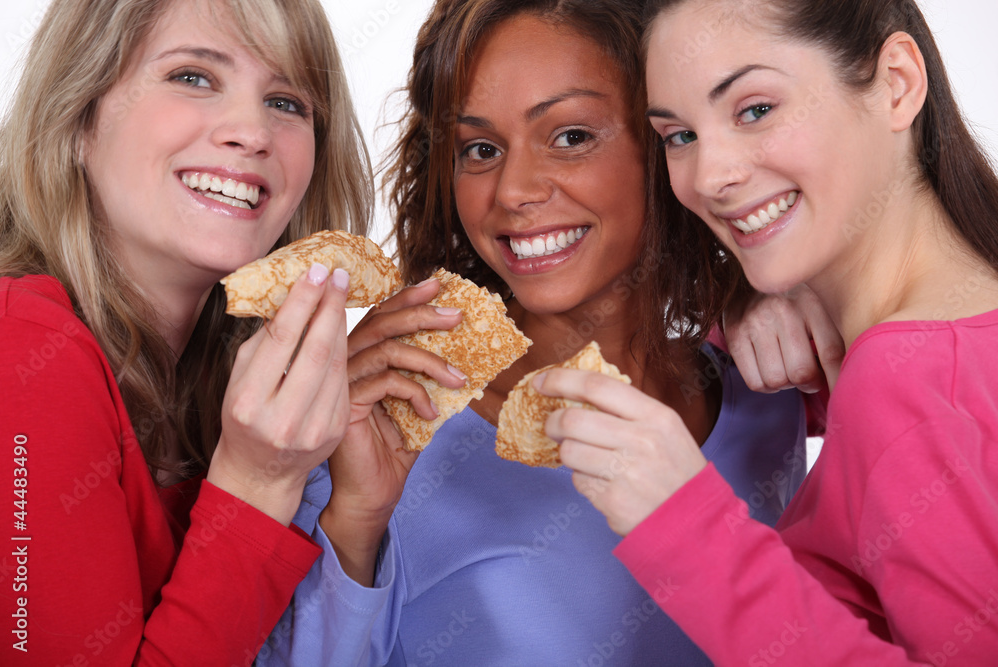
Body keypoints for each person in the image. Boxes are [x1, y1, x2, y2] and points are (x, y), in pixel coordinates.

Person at [257, 0, 824, 664]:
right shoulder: (382, 429)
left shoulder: (767, 395)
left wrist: (773, 285)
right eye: (481, 149)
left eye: (572, 135)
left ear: (669, 140)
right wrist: (355, 521)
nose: (514, 189)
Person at [534, 0, 998, 664]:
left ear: (896, 82)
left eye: (755, 110)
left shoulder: (903, 379)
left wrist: (688, 525)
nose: (711, 176)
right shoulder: (923, 340)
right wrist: (753, 301)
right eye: (678, 136)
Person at [0, 0, 372, 663]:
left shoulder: (234, 389)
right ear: (79, 118)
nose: (251, 131)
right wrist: (257, 485)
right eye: (194, 76)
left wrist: (358, 505)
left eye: (287, 101)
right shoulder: (23, 348)